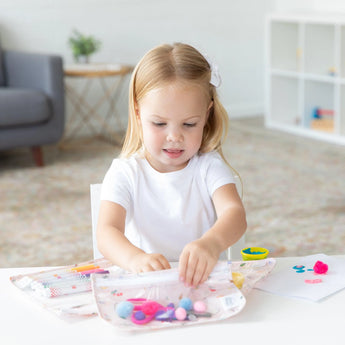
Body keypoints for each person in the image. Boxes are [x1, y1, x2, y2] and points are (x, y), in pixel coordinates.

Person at [97, 42, 247, 287]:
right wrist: (135, 259)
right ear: (137, 113)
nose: (174, 137)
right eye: (159, 123)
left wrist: (212, 243)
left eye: (189, 124)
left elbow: (235, 214)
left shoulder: (209, 166)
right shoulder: (126, 172)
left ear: (206, 115)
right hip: (145, 287)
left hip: (203, 285)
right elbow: (107, 232)